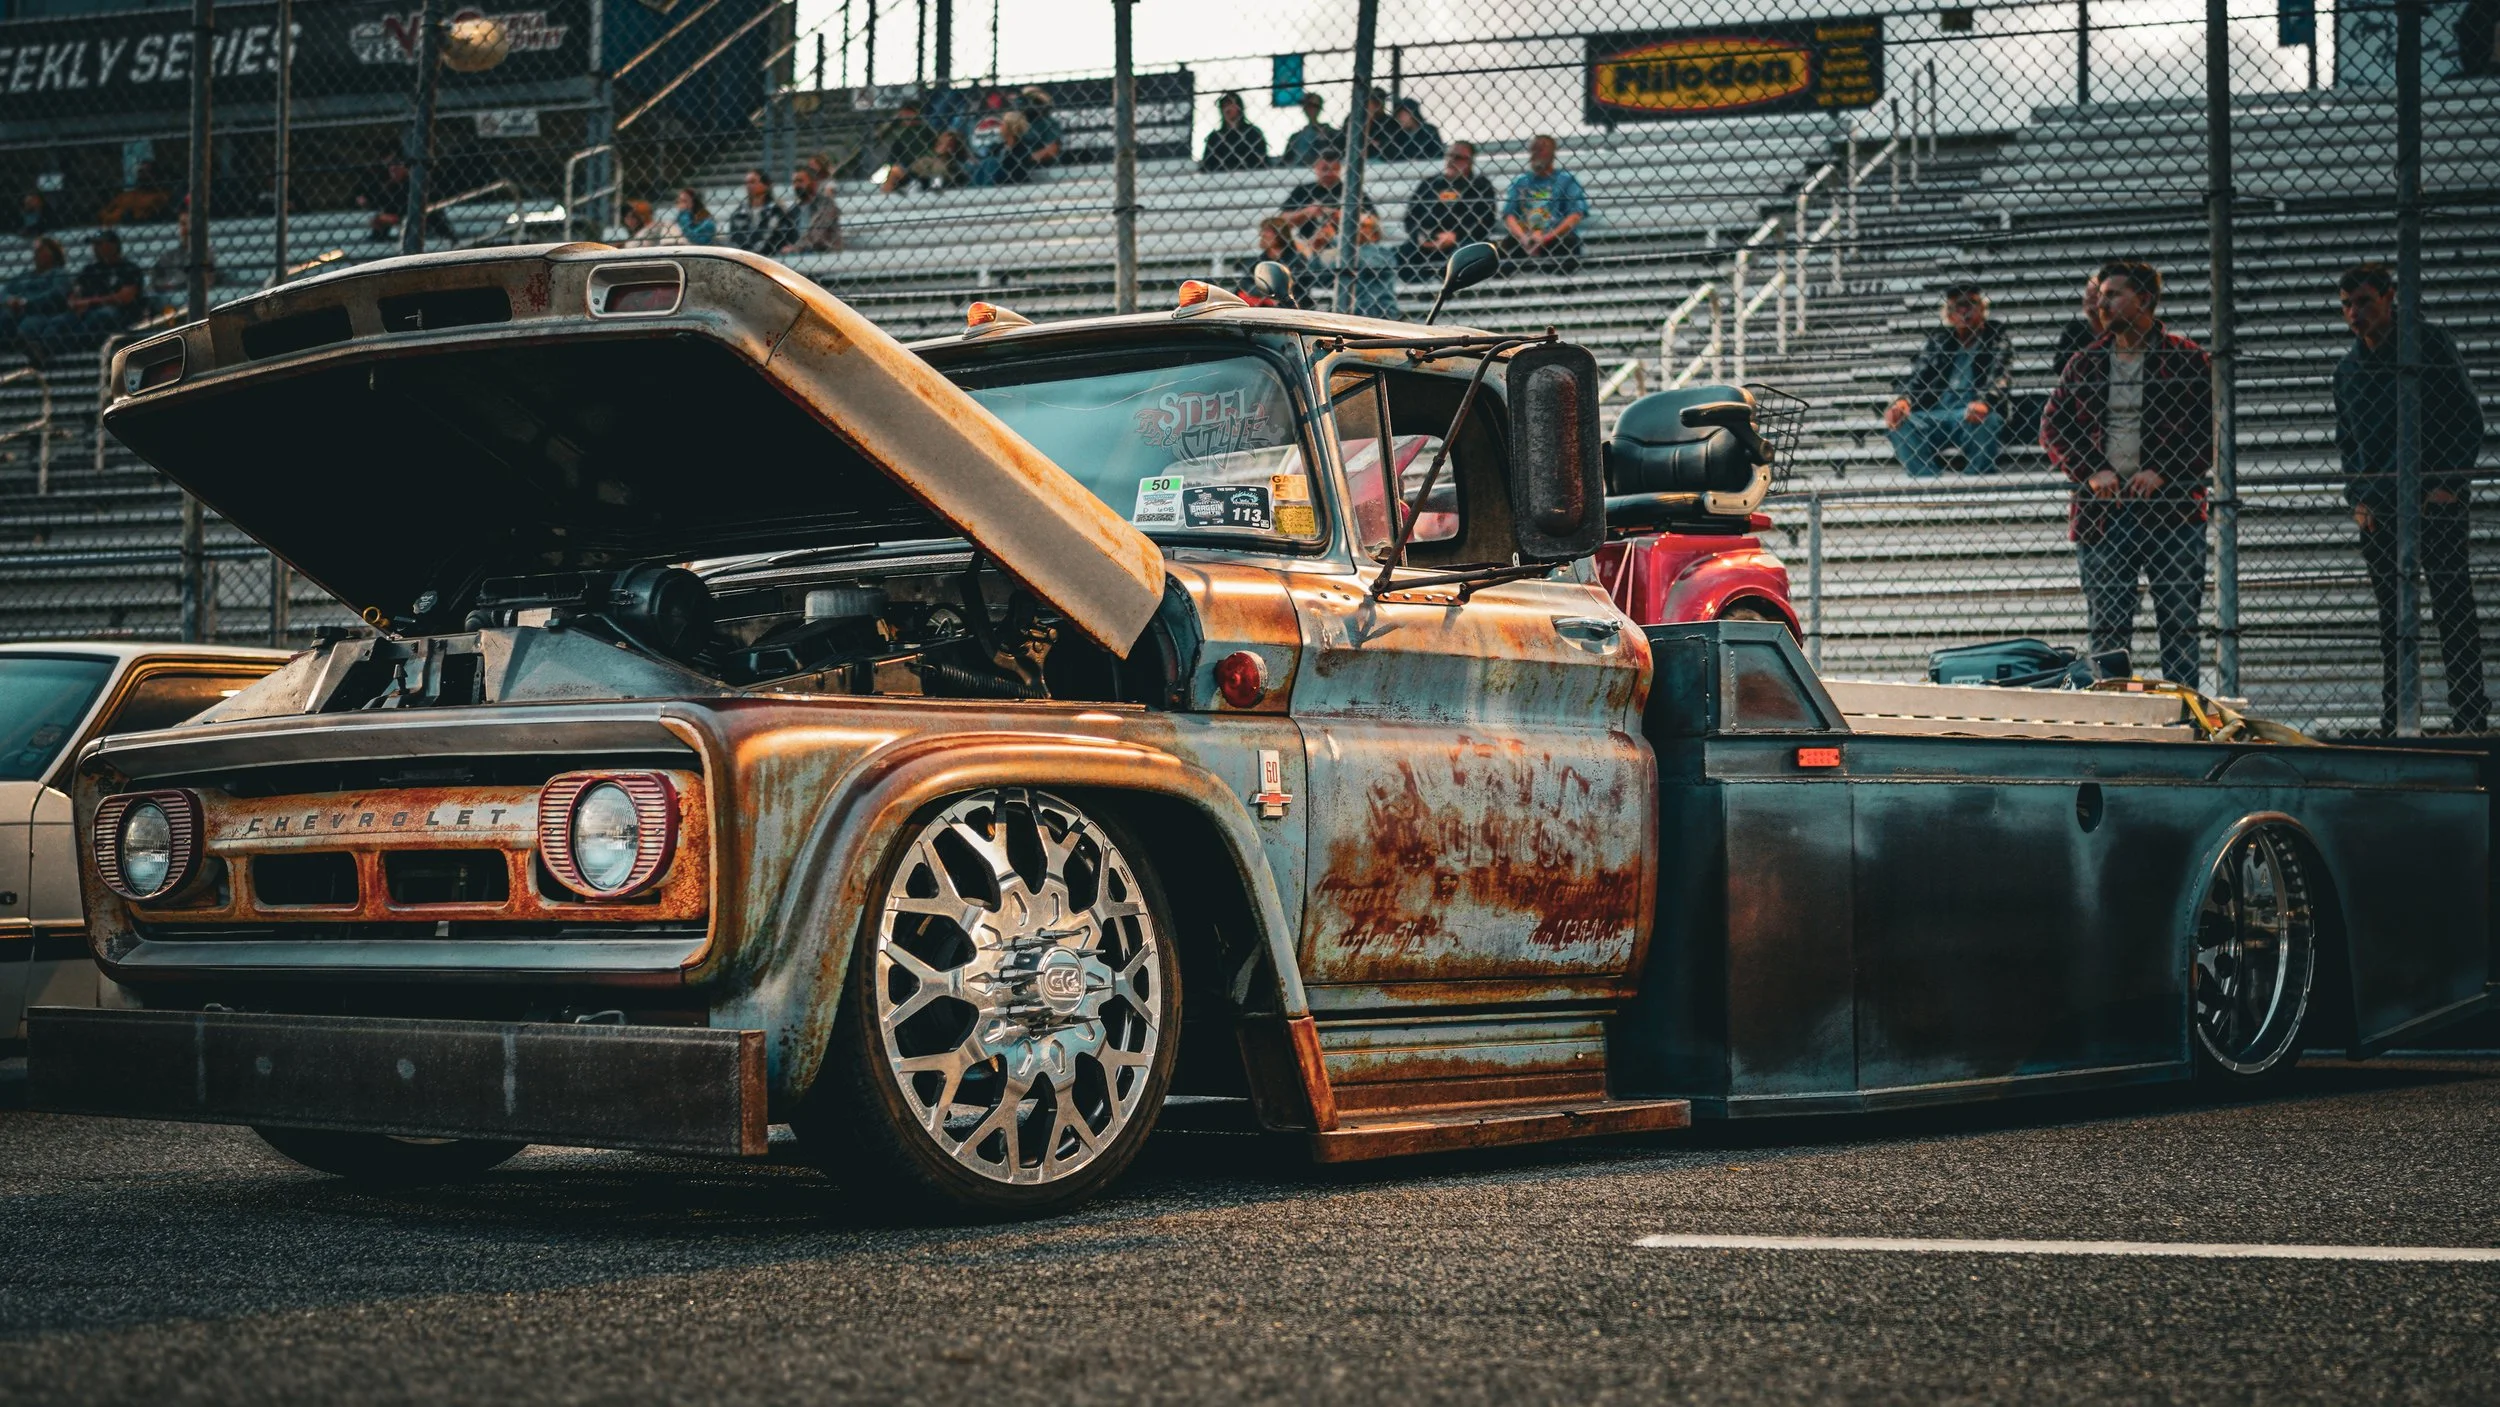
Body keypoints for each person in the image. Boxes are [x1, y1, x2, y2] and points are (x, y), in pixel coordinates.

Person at [2042, 259, 2213, 691]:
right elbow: (2052, 428)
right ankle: (2115, 719)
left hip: (2173, 512)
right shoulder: (2086, 362)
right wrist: (2090, 471)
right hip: (2104, 515)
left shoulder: (2187, 360)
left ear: (2146, 300)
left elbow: (2209, 430)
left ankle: (2184, 718)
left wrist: (2165, 473)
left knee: (2179, 626)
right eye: (2100, 295)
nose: (2102, 303)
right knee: (2108, 630)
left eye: (2113, 294)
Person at [2335, 262, 2487, 733]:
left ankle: (2469, 715)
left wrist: (2448, 486)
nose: (2354, 313)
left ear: (2389, 297)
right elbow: (2347, 444)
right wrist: (2358, 498)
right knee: (2391, 619)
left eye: (2363, 301)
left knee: (2451, 606)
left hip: (2432, 501)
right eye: (2346, 305)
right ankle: (2396, 716)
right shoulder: (2349, 371)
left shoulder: (2427, 344)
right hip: (2380, 511)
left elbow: (2466, 417)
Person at [1881, 283, 2012, 477]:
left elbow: (2000, 376)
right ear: (1949, 314)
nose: (1963, 311)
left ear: (1982, 309)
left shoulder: (1995, 337)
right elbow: (1919, 376)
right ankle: (1929, 486)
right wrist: (1903, 400)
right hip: (1937, 414)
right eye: (1957, 306)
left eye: (1970, 304)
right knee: (1901, 425)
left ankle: (1977, 487)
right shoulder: (1940, 341)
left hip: (1973, 412)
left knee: (1986, 422)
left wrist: (1985, 402)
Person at [19, 231, 143, 364]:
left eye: (100, 244)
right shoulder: (90, 269)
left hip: (119, 312)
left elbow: (125, 297)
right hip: (87, 310)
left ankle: (60, 348)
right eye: (94, 245)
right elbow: (76, 291)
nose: (95, 248)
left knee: (101, 316)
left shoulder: (128, 268)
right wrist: (74, 302)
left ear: (113, 245)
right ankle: (43, 348)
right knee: (60, 321)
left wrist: (90, 302)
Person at [1399, 139, 1496, 278]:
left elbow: (1487, 220)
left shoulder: (1481, 185)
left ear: (1470, 161)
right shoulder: (1430, 183)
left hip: (1463, 240)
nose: (1451, 161)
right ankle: (1422, 288)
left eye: (1458, 158)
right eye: (1449, 155)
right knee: (1403, 253)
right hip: (1429, 239)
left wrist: (1456, 236)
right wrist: (1420, 236)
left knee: (1468, 251)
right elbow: (1410, 216)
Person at [1500, 135, 1588, 273]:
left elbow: (1575, 215)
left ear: (1552, 153)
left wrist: (1547, 237)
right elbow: (1508, 215)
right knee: (1504, 247)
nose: (1536, 153)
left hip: (1556, 237)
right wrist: (1524, 237)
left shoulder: (1566, 181)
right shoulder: (1521, 182)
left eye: (1541, 149)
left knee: (1569, 243)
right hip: (1525, 237)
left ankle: (1562, 283)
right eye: (1533, 149)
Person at [1316, 211, 1400, 321]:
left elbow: (1363, 262)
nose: (1355, 229)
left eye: (1363, 226)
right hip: (1348, 313)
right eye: (1351, 225)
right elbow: (1322, 278)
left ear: (1375, 235)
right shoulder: (1341, 254)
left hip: (1379, 315)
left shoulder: (1383, 253)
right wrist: (1316, 250)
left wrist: (1335, 239)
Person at [1278, 148, 1373, 241]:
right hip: (1309, 242)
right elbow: (1281, 222)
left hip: (1343, 242)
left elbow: (1373, 221)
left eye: (1334, 169)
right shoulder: (1303, 190)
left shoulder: (1352, 190)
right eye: (1324, 169)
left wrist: (1343, 216)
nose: (1328, 173)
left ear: (1341, 169)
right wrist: (1307, 212)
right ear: (1315, 168)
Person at [357, 157, 453, 243]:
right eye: (391, 170)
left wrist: (390, 217)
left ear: (405, 169)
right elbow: (386, 204)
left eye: (396, 169)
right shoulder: (393, 187)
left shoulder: (414, 184)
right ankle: (378, 237)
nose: (393, 173)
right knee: (381, 216)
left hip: (426, 221)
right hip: (405, 217)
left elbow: (407, 207)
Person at [0, 236, 69, 343]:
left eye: (40, 250)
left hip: (41, 313)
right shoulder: (25, 275)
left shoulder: (59, 274)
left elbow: (56, 294)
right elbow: (5, 291)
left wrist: (27, 303)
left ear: (53, 253)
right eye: (35, 251)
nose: (36, 254)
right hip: (15, 311)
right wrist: (10, 300)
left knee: (28, 326)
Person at [1238, 214, 1312, 309]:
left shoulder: (1296, 260)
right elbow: (1245, 283)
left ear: (1280, 234)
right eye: (1263, 230)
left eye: (1267, 231)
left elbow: (1296, 290)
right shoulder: (1261, 260)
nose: (1262, 234)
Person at [873, 97, 937, 194]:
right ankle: (884, 196)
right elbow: (877, 137)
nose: (907, 115)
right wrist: (893, 122)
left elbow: (935, 147)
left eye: (910, 113)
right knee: (893, 171)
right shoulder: (896, 128)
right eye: (905, 112)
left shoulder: (925, 129)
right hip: (902, 166)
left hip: (921, 164)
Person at [1200, 90, 1269, 172]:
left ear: (1239, 107)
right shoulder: (1215, 137)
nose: (1227, 108)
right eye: (1224, 106)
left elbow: (1261, 162)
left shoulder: (1253, 133)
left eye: (1230, 104)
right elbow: (1207, 164)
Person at [2053, 271, 2105, 378]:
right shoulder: (2075, 330)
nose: (2090, 299)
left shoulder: (2118, 330)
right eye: (2088, 294)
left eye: (2096, 294)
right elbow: (2059, 366)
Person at [726, 170, 791, 253]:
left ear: (766, 185)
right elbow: (734, 239)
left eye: (752, 182)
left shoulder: (777, 211)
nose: (748, 186)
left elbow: (780, 237)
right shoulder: (738, 213)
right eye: (747, 183)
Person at [781, 166, 843, 252]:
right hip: (796, 253)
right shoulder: (793, 210)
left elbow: (818, 236)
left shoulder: (826, 204)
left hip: (824, 252)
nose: (797, 185)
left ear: (814, 183)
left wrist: (795, 248)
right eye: (794, 182)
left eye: (800, 181)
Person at [95, 159, 173, 226]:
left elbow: (142, 214)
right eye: (141, 172)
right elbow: (103, 213)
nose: (143, 175)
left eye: (147, 172)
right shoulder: (126, 196)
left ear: (155, 174)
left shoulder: (162, 196)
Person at [1280, 93, 1339, 168]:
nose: (1309, 109)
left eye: (1313, 106)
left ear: (1319, 108)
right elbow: (1284, 162)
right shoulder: (1295, 137)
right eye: (1306, 106)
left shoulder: (1333, 134)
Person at [1380, 96, 1444, 160]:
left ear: (1413, 114)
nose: (1400, 119)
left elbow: (1439, 154)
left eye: (1404, 115)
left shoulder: (1429, 131)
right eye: (1398, 115)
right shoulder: (1396, 133)